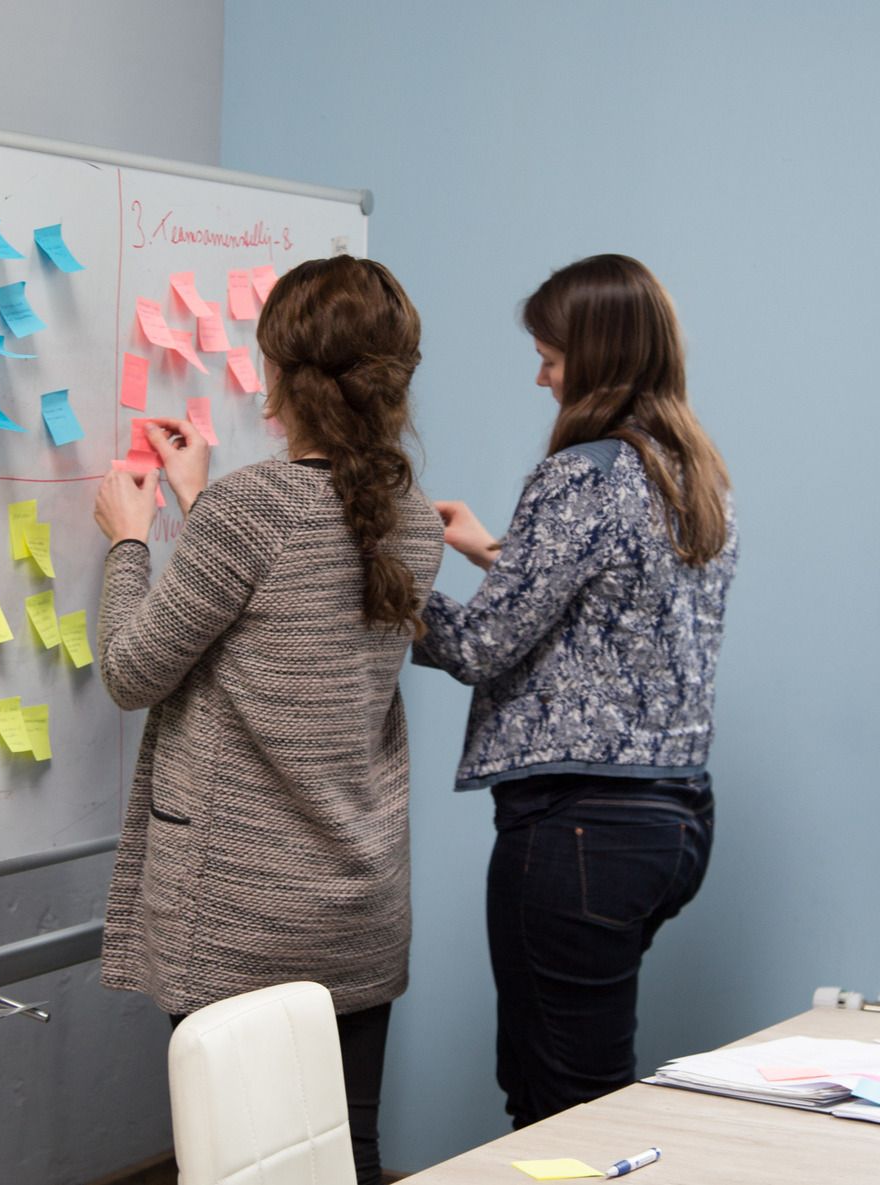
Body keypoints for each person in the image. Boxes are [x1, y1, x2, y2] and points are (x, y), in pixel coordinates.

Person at [91, 255, 444, 1185]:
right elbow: (290, 607)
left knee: (237, 1164)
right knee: (346, 1153)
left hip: (241, 913)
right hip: (357, 905)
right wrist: (201, 502)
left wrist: (130, 541)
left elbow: (131, 670)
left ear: (282, 376)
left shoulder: (253, 509)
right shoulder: (411, 516)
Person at [414, 254, 737, 1128]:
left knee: (564, 1107)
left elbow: (481, 644)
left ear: (594, 356)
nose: (541, 374)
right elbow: (622, 607)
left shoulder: (579, 477)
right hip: (672, 823)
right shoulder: (690, 475)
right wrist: (495, 553)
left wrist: (385, 582)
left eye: (550, 355)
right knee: (573, 1085)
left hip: (579, 829)